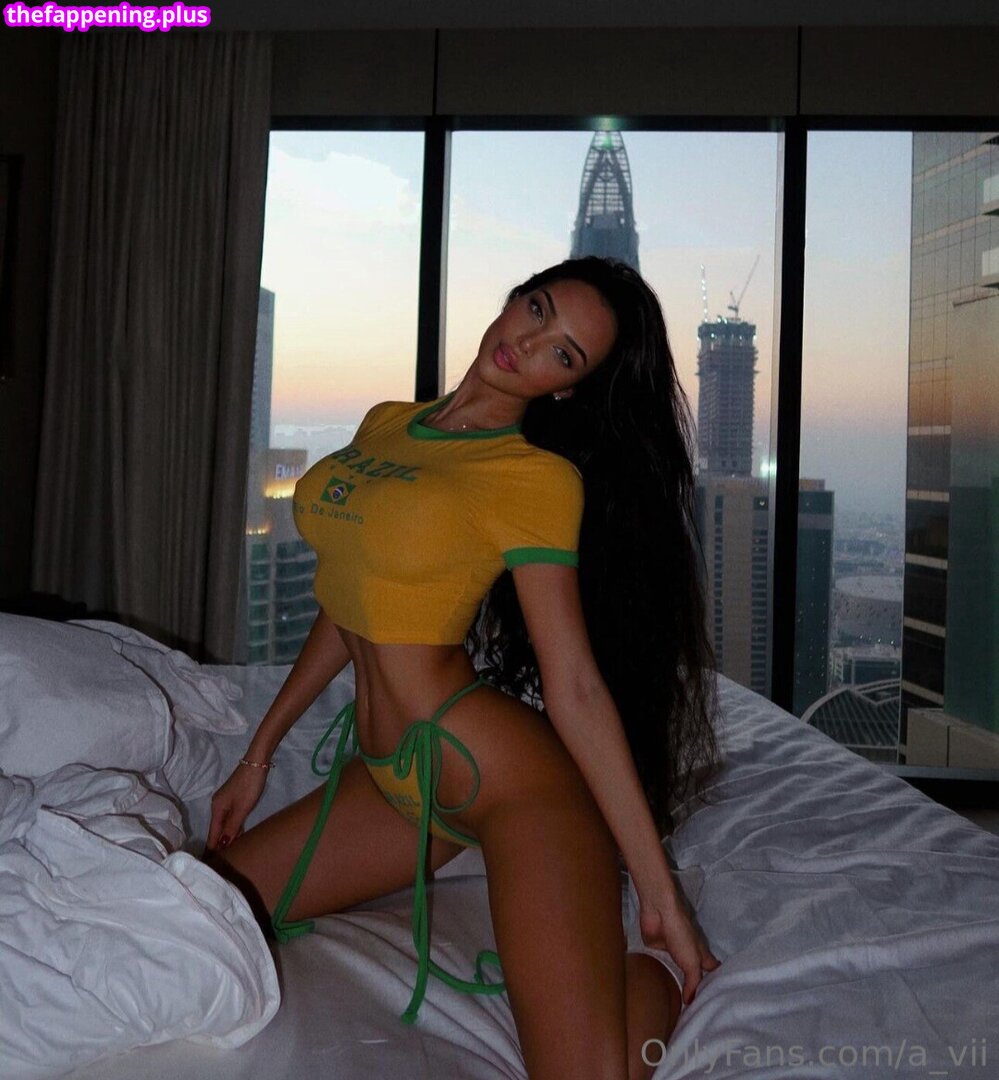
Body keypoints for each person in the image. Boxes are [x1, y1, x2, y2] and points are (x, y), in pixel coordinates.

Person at [205, 255, 724, 1080]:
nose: (531, 341)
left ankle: (651, 975)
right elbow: (348, 602)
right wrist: (257, 755)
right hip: (393, 782)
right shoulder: (385, 423)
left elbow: (574, 684)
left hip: (512, 788)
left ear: (567, 388)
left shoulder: (532, 480)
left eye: (563, 353)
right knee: (196, 912)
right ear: (513, 299)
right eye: (537, 309)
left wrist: (661, 896)